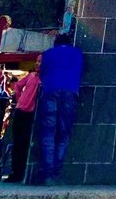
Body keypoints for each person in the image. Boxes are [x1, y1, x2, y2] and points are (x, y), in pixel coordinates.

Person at [35, 33, 83, 185]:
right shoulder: (77, 53)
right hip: (70, 92)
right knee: (63, 134)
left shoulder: (48, 54)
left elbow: (41, 73)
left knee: (48, 133)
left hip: (50, 92)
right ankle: (57, 171)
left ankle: (47, 173)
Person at [7, 59, 40, 183]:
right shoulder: (31, 76)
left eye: (40, 62)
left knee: (25, 143)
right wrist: (20, 98)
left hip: (31, 113)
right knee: (17, 142)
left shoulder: (44, 79)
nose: (37, 64)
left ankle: (21, 172)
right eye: (37, 61)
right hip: (21, 110)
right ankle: (15, 171)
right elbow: (18, 86)